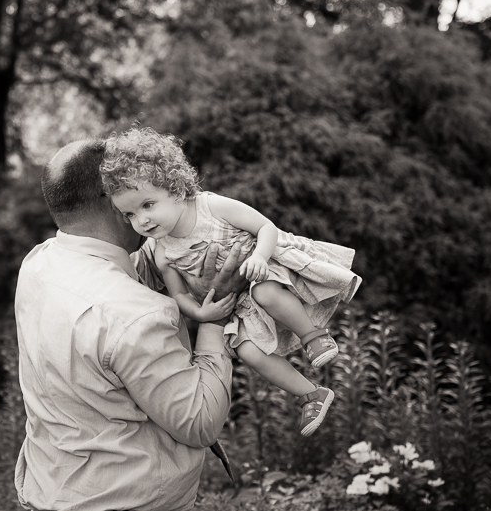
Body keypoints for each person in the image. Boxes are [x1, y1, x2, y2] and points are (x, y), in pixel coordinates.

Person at [15, 138, 247, 511]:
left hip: (51, 491)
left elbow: (116, 281)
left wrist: (183, 249)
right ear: (112, 198)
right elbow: (201, 421)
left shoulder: (39, 264)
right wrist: (215, 314)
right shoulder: (137, 316)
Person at [101, 127, 362, 437]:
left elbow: (266, 228)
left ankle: (314, 336)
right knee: (247, 352)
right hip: (238, 303)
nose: (141, 221)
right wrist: (199, 314)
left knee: (264, 292)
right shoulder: (161, 250)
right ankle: (311, 394)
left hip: (265, 270)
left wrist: (260, 259)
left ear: (175, 189)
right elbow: (179, 295)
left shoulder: (210, 207)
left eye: (147, 205)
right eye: (129, 214)